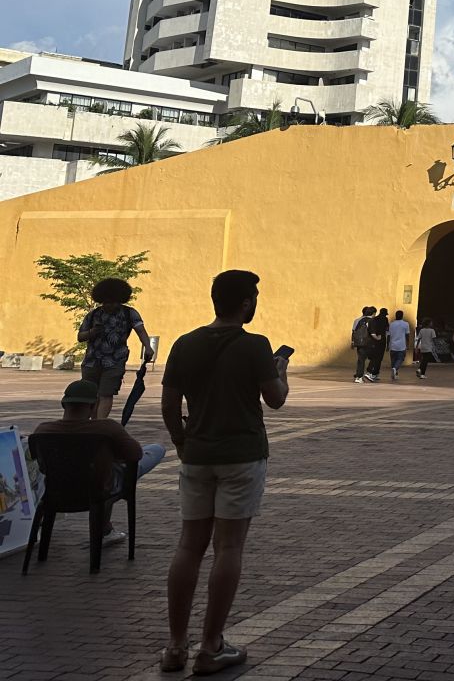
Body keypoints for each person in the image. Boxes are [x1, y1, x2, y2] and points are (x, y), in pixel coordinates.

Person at [161, 269, 289, 676]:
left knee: (188, 546)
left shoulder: (185, 343)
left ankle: (175, 646)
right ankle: (211, 645)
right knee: (228, 547)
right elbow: (276, 399)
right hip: (241, 455)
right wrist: (280, 370)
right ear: (246, 303)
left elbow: (169, 404)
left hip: (197, 455)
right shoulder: (255, 345)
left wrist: (182, 442)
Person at [32, 378, 166, 547]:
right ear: (94, 405)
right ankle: (104, 529)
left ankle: (103, 528)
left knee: (102, 471)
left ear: (64, 404)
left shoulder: (43, 430)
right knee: (154, 450)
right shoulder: (107, 428)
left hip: (56, 489)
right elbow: (135, 454)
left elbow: (39, 463)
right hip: (99, 488)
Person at [77, 276, 156, 420]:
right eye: (106, 302)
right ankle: (92, 423)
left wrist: (148, 347)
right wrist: (92, 332)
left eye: (112, 302)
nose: (109, 305)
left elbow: (140, 330)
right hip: (91, 361)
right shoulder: (93, 315)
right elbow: (80, 336)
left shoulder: (129, 313)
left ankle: (100, 423)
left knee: (106, 393)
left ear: (120, 300)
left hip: (115, 361)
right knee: (91, 395)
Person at [361, 308, 388, 383]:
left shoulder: (374, 319)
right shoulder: (385, 319)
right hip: (381, 339)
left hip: (374, 340)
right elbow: (386, 328)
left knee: (374, 356)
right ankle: (373, 373)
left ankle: (372, 372)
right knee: (378, 357)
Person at [386, 309, 411, 381]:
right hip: (401, 345)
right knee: (400, 359)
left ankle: (395, 374)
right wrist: (408, 344)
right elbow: (407, 335)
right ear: (402, 316)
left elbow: (388, 335)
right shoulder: (406, 324)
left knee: (393, 360)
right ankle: (395, 369)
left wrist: (387, 345)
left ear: (395, 316)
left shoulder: (391, 324)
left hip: (392, 345)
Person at [351, 307, 374, 379]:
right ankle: (368, 372)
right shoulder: (371, 320)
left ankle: (359, 375)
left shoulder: (358, 320)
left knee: (361, 359)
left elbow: (354, 331)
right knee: (374, 357)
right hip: (368, 342)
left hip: (359, 342)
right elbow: (372, 332)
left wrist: (352, 341)